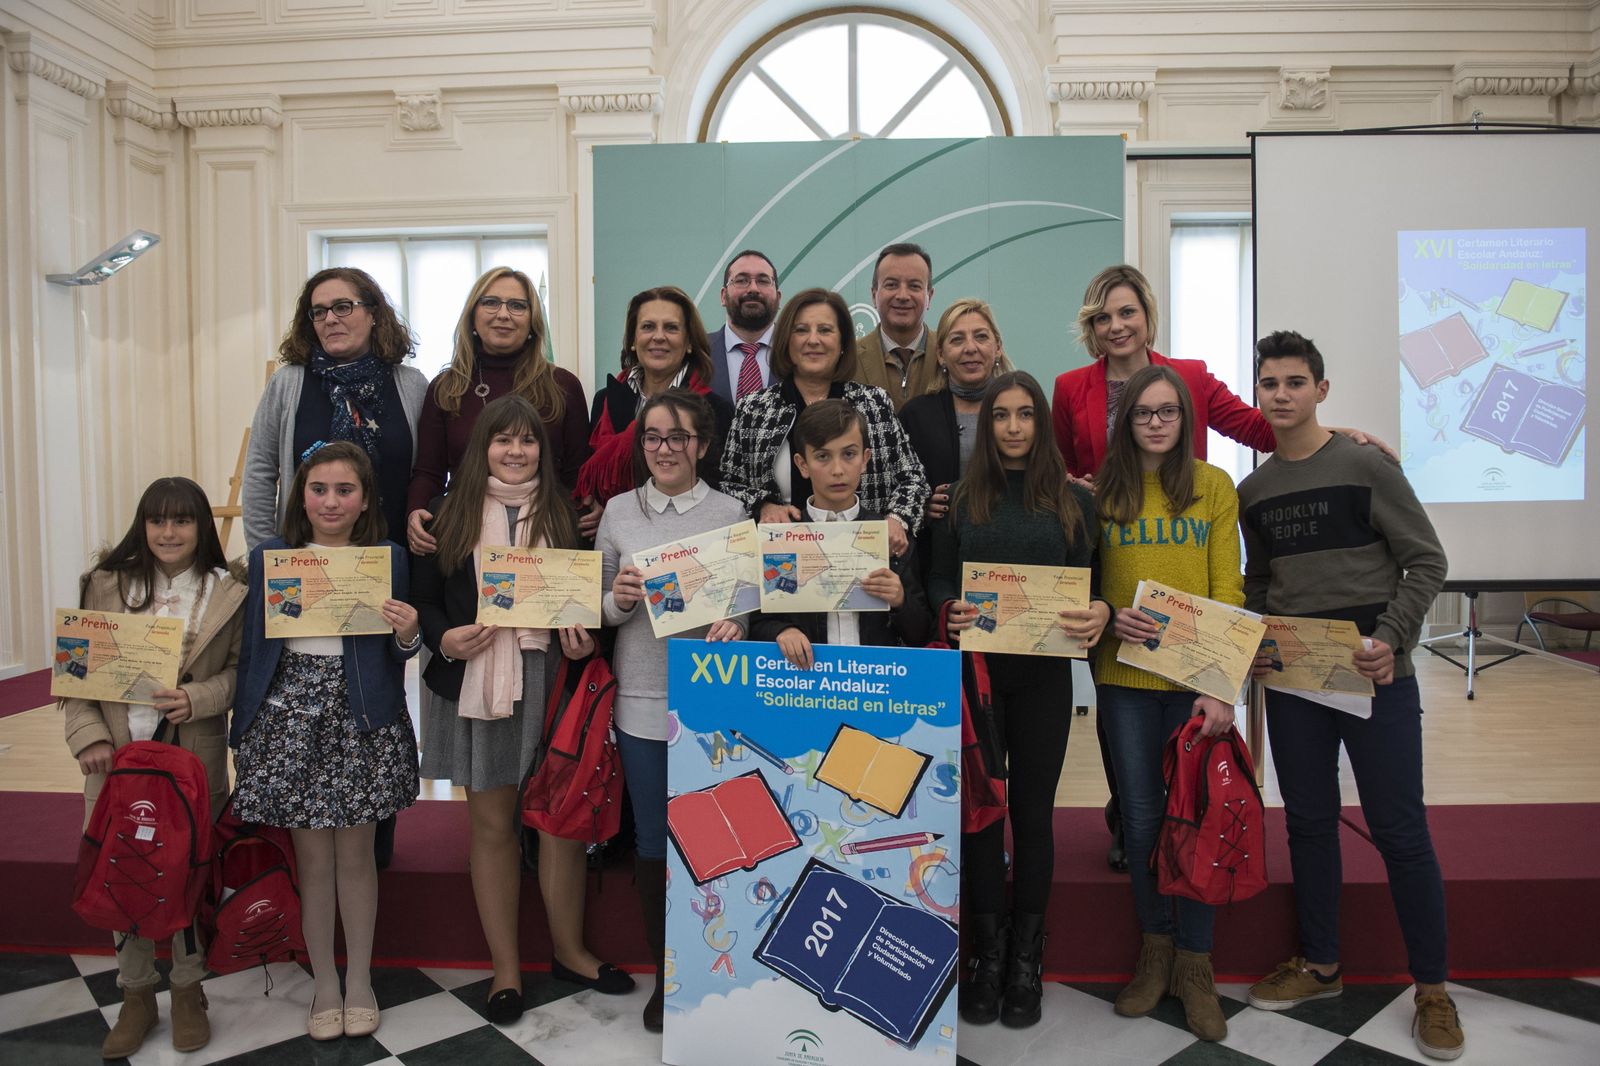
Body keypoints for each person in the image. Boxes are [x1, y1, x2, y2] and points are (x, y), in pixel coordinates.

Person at [1237, 331, 1460, 1061]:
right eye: (1269, 383)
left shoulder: (1367, 464)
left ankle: (1432, 988)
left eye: (1294, 382)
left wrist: (1393, 639)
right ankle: (1323, 965)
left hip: (1373, 668)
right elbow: (1263, 583)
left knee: (1399, 829)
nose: (1281, 395)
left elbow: (1426, 559)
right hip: (1298, 673)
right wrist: (1260, 644)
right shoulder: (1255, 492)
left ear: (1321, 390)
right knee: (1307, 820)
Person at [411, 395, 626, 1026]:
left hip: (552, 676)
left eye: (526, 441)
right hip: (477, 677)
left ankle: (570, 951)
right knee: (493, 825)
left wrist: (585, 634)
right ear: (481, 449)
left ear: (542, 449)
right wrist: (443, 637)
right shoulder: (446, 513)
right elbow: (423, 600)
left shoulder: (568, 514)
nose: (514, 451)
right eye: (500, 440)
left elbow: (585, 597)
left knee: (560, 819)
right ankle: (505, 969)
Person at [928, 371, 1111, 1029]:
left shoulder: (1072, 502)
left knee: (1032, 816)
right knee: (981, 815)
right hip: (974, 678)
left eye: (1024, 415)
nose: (1011, 426)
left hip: (1043, 681)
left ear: (1040, 424)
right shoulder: (958, 500)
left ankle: (1026, 961)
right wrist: (946, 608)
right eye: (1000, 415)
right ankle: (986, 956)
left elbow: (1098, 581)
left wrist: (1099, 608)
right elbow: (938, 576)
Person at [231, 441, 421, 1042]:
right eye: (319, 489)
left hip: (361, 714)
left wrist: (411, 632)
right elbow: (253, 653)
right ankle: (323, 985)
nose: (331, 501)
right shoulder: (269, 559)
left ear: (365, 500)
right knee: (313, 862)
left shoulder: (385, 557)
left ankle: (359, 980)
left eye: (345, 490)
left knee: (357, 858)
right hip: (290, 717)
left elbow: (400, 653)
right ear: (301, 495)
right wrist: (244, 729)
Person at [62, 478, 245, 1059]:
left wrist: (201, 697)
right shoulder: (104, 585)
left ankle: (188, 989)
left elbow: (241, 671)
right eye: (157, 521)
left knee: (185, 870)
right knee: (124, 870)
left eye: (182, 521)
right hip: (115, 759)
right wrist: (87, 735)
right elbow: (74, 670)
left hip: (191, 760)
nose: (169, 533)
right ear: (142, 525)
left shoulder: (228, 590)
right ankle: (137, 993)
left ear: (201, 528)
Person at [1092, 365, 1242, 1042]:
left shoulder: (1212, 487)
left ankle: (1195, 965)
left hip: (1194, 687)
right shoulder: (1105, 489)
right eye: (1143, 413)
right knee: (1146, 822)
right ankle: (1154, 950)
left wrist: (1221, 684)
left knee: (1198, 821)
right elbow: (1087, 581)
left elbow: (1228, 590)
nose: (1155, 422)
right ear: (1126, 421)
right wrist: (1107, 612)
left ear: (1186, 419)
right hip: (1124, 684)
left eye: (1167, 412)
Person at [594, 389, 751, 1033]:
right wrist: (620, 598)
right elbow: (598, 608)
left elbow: (747, 600)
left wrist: (736, 623)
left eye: (677, 438)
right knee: (656, 841)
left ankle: (720, 968)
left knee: (712, 841)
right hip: (642, 699)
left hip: (710, 698)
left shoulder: (731, 510)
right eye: (653, 438)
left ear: (702, 445)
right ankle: (667, 975)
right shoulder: (616, 512)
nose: (663, 449)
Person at [720, 287, 930, 559]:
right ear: (785, 340)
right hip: (781, 565)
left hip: (861, 564)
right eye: (801, 330)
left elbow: (913, 478)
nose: (813, 340)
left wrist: (897, 519)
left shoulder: (874, 403)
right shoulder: (753, 409)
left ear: (843, 341)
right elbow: (726, 484)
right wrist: (762, 505)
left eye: (825, 330)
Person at [406, 267, 591, 556]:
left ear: (533, 321)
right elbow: (429, 471)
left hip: (546, 535)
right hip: (464, 536)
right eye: (491, 302)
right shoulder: (447, 387)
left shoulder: (562, 386)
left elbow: (577, 472)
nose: (503, 314)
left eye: (517, 305)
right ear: (473, 317)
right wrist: (416, 512)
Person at [243, 267, 428, 552]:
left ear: (374, 314)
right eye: (319, 312)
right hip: (302, 561)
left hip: (394, 558)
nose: (329, 319)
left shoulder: (412, 385)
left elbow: (427, 474)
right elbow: (259, 471)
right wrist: (263, 552)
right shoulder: (288, 382)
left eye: (342, 307)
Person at [753, 400, 932, 665]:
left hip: (874, 683)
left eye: (849, 454)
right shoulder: (781, 538)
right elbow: (757, 621)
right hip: (806, 684)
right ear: (802, 465)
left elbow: (922, 633)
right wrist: (781, 630)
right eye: (823, 456)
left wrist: (901, 600)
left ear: (865, 459)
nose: (837, 470)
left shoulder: (888, 536)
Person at [579, 286, 734, 514]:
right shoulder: (605, 400)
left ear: (689, 342)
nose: (658, 337)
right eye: (648, 327)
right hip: (617, 534)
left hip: (690, 538)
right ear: (633, 339)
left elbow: (721, 487)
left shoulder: (715, 409)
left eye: (671, 328)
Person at [899, 298, 1013, 578]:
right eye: (957, 339)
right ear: (940, 354)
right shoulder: (916, 415)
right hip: (938, 562)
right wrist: (920, 507)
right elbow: (899, 489)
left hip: (1011, 559)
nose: (970, 348)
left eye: (981, 337)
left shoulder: (1022, 409)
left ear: (997, 347)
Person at [853, 243, 940, 409]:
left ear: (929, 296)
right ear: (874, 295)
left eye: (914, 286)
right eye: (891, 285)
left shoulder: (950, 358)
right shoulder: (848, 360)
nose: (902, 296)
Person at [706, 249, 781, 405]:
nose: (753, 289)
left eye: (763, 280)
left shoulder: (798, 350)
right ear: (722, 296)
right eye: (741, 280)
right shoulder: (698, 352)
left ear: (778, 297)